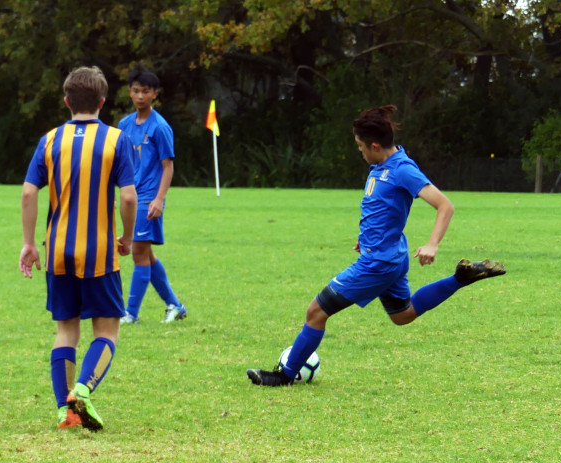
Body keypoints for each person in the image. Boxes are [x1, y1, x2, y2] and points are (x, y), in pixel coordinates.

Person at [247, 105, 506, 386]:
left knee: (316, 312)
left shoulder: (402, 169)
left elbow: (445, 205)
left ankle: (284, 376)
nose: (359, 152)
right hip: (390, 256)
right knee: (403, 315)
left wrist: (433, 244)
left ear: (374, 145)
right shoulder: (380, 164)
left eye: (360, 147)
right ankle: (459, 279)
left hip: (378, 264)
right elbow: (380, 206)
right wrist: (367, 237)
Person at [19, 66, 137, 429]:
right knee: (107, 330)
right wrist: (127, 238)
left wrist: (28, 243)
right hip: (99, 250)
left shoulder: (50, 139)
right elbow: (129, 197)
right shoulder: (117, 140)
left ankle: (64, 410)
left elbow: (27, 191)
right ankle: (83, 391)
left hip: (56, 250)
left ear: (67, 101)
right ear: (103, 102)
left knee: (65, 331)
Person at [118, 69, 187, 324]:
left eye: (145, 91)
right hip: (130, 195)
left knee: (138, 251)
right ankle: (175, 305)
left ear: (154, 95)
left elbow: (168, 166)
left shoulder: (160, 126)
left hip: (149, 196)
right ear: (129, 92)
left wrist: (159, 199)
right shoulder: (124, 125)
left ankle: (131, 314)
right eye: (136, 90)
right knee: (146, 254)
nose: (140, 95)